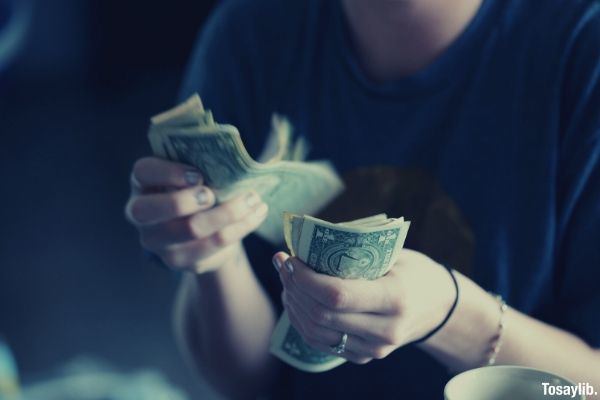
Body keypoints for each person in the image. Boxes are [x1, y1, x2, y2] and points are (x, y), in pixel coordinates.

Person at [125, 0, 600, 398]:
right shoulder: (252, 31)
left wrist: (452, 317)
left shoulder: (582, 47)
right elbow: (250, 383)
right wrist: (215, 259)